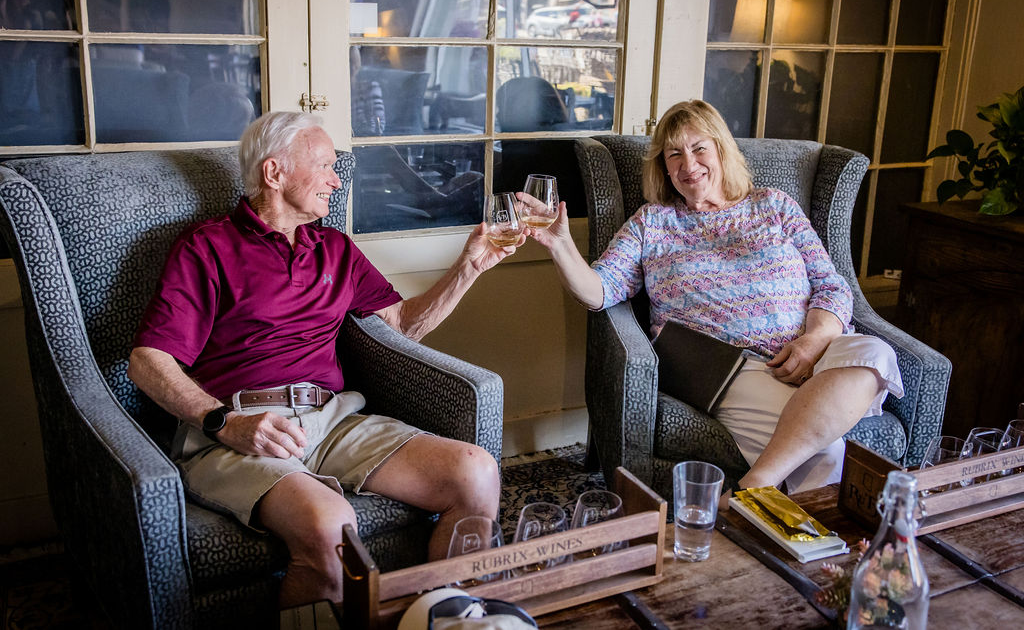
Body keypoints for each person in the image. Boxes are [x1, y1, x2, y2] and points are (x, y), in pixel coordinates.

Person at [128, 111, 522, 609]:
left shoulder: (334, 248)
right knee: (330, 524)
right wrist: (222, 421)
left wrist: (469, 266)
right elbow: (147, 360)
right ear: (275, 173)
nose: (338, 180)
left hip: (333, 417)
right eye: (325, 166)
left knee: (476, 472)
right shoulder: (207, 248)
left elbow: (402, 327)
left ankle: (445, 618)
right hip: (241, 431)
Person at [523, 99, 903, 496]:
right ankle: (769, 507)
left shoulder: (774, 205)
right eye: (674, 154)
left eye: (699, 148)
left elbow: (831, 283)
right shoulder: (653, 223)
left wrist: (813, 341)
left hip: (817, 345)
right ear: (664, 167)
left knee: (877, 355)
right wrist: (560, 244)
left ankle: (756, 482)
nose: (688, 165)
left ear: (722, 149)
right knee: (825, 451)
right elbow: (598, 291)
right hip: (732, 366)